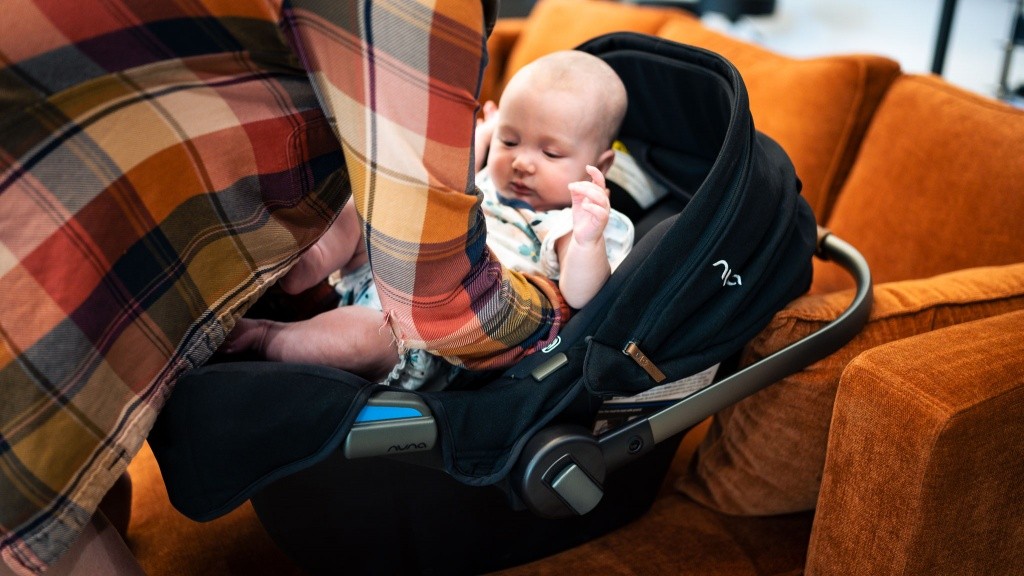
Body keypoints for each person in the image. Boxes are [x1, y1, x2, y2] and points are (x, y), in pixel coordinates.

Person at [223, 50, 633, 389]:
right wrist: (484, 136)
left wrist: (587, 240)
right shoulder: (490, 180)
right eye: (511, 140)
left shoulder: (571, 223)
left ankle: (267, 336)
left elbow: (580, 296)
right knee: (354, 213)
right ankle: (300, 268)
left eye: (551, 154)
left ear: (601, 164)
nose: (523, 162)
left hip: (430, 331)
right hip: (382, 268)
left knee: (363, 340)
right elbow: (447, 179)